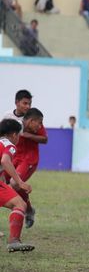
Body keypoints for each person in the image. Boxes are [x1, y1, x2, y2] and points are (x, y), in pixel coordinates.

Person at [4, 91, 47, 230]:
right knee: (3, 183)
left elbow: (44, 138)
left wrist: (27, 135)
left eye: (29, 103)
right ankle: (23, 208)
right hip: (14, 156)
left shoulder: (34, 118)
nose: (27, 106)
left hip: (29, 159)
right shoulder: (8, 117)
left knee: (14, 183)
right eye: (25, 103)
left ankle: (26, 209)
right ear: (16, 102)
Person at [0, 119, 34, 252]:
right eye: (19, 135)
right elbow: (5, 160)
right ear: (14, 134)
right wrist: (19, 182)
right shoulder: (9, 145)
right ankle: (14, 241)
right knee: (20, 204)